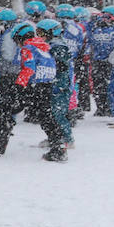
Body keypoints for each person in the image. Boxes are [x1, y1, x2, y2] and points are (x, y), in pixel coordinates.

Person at [0, 22, 66, 161]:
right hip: (46, 85)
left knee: (4, 107)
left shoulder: (28, 48)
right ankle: (59, 147)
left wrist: (19, 86)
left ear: (20, 38)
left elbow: (29, 68)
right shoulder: (44, 47)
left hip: (32, 86)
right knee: (46, 117)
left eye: (16, 41)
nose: (17, 45)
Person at [35, 20, 74, 149]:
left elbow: (61, 66)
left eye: (41, 32)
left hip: (60, 85)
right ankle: (56, 137)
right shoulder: (51, 44)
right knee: (52, 112)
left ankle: (67, 138)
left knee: (58, 113)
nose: (39, 36)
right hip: (55, 84)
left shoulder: (58, 46)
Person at [88, 5, 114, 117]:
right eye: (103, 16)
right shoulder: (96, 28)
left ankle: (111, 108)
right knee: (98, 85)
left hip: (112, 61)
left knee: (111, 86)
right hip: (98, 60)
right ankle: (101, 107)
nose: (104, 19)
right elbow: (90, 41)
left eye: (107, 16)